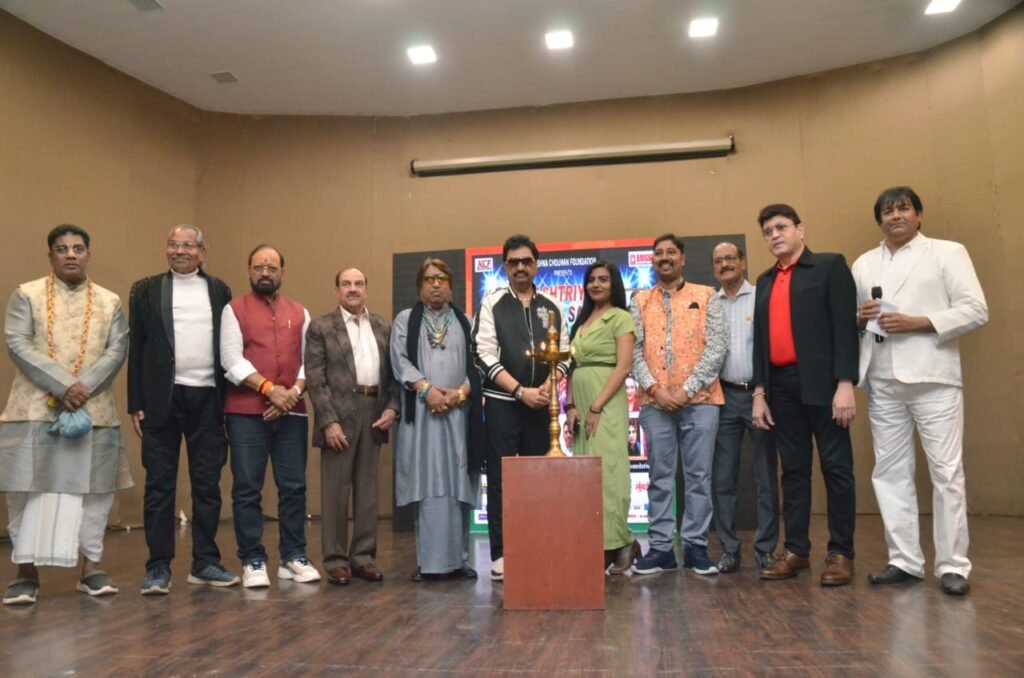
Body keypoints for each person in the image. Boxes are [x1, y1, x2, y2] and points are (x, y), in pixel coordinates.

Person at [853, 187, 987, 596]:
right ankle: (904, 560)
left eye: (904, 209)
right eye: (887, 211)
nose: (896, 216)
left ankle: (953, 565)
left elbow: (975, 309)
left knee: (946, 473)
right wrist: (859, 319)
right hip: (882, 379)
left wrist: (919, 322)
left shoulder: (947, 252)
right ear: (879, 220)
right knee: (890, 472)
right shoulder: (864, 263)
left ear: (919, 215)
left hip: (933, 378)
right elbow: (857, 322)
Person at [1, 225, 131, 605]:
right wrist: (63, 386)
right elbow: (17, 342)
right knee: (26, 490)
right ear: (51, 256)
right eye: (62, 249)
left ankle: (91, 569)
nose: (70, 254)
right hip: (32, 409)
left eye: (78, 248)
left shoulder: (110, 301)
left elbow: (117, 350)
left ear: (88, 254)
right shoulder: (26, 294)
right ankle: (26, 573)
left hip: (95, 410)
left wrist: (81, 388)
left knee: (94, 493)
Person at [751, 204, 859, 587]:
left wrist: (845, 383)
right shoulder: (764, 280)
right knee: (794, 472)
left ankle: (841, 552)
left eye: (781, 227)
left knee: (836, 469)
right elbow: (760, 341)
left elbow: (845, 329)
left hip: (825, 386)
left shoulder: (829, 266)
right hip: (780, 387)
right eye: (768, 232)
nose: (774, 235)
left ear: (800, 229)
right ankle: (796, 550)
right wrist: (759, 392)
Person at [129, 225, 239, 594]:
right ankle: (158, 567)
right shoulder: (145, 290)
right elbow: (137, 347)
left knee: (207, 486)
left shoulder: (219, 290)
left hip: (208, 399)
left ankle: (205, 562)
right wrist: (135, 402)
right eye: (173, 244)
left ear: (202, 252)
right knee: (159, 486)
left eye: (188, 245)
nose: (180, 250)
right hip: (161, 401)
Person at [220, 245, 320, 588]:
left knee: (294, 487)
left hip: (293, 412)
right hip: (246, 414)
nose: (265, 272)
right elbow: (231, 359)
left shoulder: (300, 312)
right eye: (258, 267)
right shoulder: (234, 310)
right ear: (249, 270)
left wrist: (294, 393)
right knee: (247, 488)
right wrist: (269, 389)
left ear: (282, 272)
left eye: (272, 267)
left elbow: (310, 359)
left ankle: (293, 557)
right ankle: (253, 560)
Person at [471, 234, 569, 582]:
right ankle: (501, 553)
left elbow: (565, 354)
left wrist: (547, 387)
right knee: (500, 480)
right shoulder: (492, 303)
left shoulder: (552, 304)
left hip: (541, 403)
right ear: (505, 266)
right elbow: (482, 354)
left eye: (527, 261)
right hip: (503, 404)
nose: (521, 267)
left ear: (536, 264)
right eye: (514, 262)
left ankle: (536, 546)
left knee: (539, 478)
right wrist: (518, 391)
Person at [629, 234, 728, 576]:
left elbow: (717, 347)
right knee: (659, 476)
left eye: (671, 252)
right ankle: (660, 549)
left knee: (698, 476)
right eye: (658, 253)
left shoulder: (707, 295)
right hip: (655, 403)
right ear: (652, 261)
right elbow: (634, 351)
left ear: (683, 258)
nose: (664, 257)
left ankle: (696, 547)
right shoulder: (640, 300)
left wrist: (687, 390)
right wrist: (656, 390)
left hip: (701, 401)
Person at [390, 258, 484, 582]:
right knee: (429, 484)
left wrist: (460, 393)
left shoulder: (465, 321)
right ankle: (430, 563)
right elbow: (399, 360)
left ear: (451, 285)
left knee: (459, 483)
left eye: (441, 278)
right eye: (429, 279)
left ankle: (459, 560)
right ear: (419, 286)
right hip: (423, 415)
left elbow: (478, 365)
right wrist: (426, 390)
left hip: (459, 414)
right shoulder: (406, 320)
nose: (435, 284)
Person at [305, 268, 399, 585]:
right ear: (336, 291)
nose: (353, 289)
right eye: (346, 284)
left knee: (368, 491)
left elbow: (394, 375)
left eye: (358, 284)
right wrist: (328, 421)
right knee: (335, 490)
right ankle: (335, 560)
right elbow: (316, 380)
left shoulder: (383, 327)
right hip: (339, 413)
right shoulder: (321, 327)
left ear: (367, 289)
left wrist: (393, 408)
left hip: (375, 412)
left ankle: (363, 558)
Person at [709, 242, 779, 574]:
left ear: (743, 262)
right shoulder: (710, 303)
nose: (725, 264)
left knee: (765, 476)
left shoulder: (762, 297)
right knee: (723, 478)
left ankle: (766, 549)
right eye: (718, 261)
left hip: (760, 396)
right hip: (723, 398)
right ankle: (729, 549)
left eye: (730, 259)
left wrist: (761, 393)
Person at [564, 261, 638, 575]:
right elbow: (571, 366)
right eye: (592, 279)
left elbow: (624, 367)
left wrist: (596, 406)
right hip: (581, 405)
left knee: (609, 471)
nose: (596, 284)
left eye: (603, 279)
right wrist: (570, 405)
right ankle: (597, 542)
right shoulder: (581, 321)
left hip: (605, 403)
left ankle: (620, 542)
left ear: (614, 284)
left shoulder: (621, 317)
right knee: (586, 474)